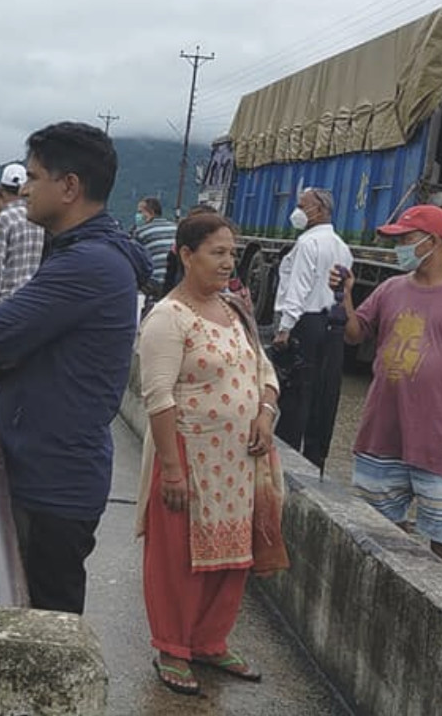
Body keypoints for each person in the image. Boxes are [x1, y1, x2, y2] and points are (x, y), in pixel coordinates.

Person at [0, 121, 152, 614]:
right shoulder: (82, 253)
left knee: (47, 625)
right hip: (50, 468)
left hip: (53, 484)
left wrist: (11, 351)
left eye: (33, 177)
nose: (24, 189)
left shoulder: (88, 265)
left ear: (69, 187)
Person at [136, 212, 281, 695]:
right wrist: (172, 471)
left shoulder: (236, 309)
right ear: (185, 255)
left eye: (231, 253)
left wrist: (264, 412)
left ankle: (211, 641)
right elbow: (157, 396)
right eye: (217, 252)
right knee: (179, 557)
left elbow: (264, 370)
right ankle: (173, 648)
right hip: (189, 455)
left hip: (238, 461)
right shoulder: (167, 317)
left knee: (233, 556)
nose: (227, 262)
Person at [330, 205, 442, 573]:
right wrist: (345, 296)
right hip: (383, 428)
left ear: (432, 242)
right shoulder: (391, 289)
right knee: (379, 523)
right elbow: (355, 333)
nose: (399, 250)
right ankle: (395, 581)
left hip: (438, 434)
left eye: (405, 240)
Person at [271, 188, 354, 470]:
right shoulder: (341, 246)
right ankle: (315, 458)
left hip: (304, 323)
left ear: (319, 210)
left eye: (301, 206)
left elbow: (299, 287)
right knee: (323, 392)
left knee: (296, 393)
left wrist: (284, 329)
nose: (296, 211)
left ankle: (287, 456)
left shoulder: (307, 244)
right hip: (331, 326)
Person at [0, 163, 45, 307]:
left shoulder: (5, 218)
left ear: (1, 189)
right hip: (30, 299)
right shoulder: (37, 217)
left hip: (7, 301)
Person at [133, 197, 177, 316]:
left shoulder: (141, 231)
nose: (137, 215)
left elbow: (136, 261)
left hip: (155, 282)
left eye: (140, 212)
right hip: (175, 281)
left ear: (150, 213)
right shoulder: (175, 227)